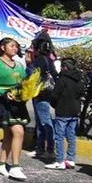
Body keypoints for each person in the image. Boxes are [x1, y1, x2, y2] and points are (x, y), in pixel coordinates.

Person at [0, 37, 31, 181]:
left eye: (16, 47)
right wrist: (4, 93)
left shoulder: (19, 65)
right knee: (19, 131)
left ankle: (1, 164)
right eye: (12, 46)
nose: (15, 49)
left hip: (18, 103)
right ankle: (15, 166)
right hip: (3, 103)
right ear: (3, 47)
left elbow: (24, 82)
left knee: (9, 135)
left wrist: (27, 91)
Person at [45, 58, 84, 170]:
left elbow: (55, 95)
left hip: (63, 111)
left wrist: (54, 105)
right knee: (71, 135)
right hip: (74, 111)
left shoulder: (62, 79)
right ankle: (71, 159)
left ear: (64, 67)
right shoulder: (79, 78)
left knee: (60, 136)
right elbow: (81, 92)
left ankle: (60, 160)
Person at [30, 32, 58, 160]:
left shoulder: (40, 60)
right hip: (44, 92)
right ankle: (39, 148)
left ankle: (50, 149)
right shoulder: (49, 59)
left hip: (41, 93)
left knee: (45, 121)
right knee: (41, 122)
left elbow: (34, 76)